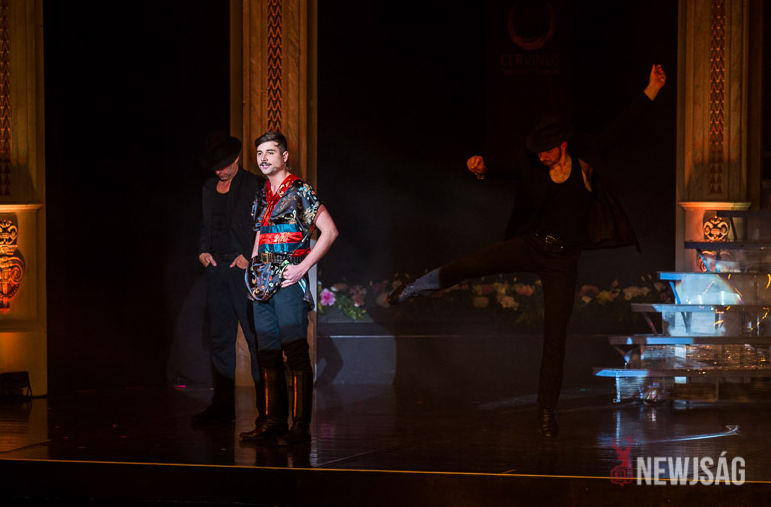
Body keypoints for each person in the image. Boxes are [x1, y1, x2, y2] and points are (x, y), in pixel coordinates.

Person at [388, 65, 667, 439]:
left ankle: (546, 411)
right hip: (531, 246)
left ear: (563, 145)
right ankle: (412, 290)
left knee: (555, 337)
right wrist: (483, 169)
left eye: (546, 151)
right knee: (469, 264)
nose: (541, 157)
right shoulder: (533, 164)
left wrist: (651, 89)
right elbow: (506, 171)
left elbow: (621, 128)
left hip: (563, 262)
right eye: (537, 151)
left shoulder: (586, 162)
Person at [240, 130, 338, 445]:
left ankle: (300, 427)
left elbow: (329, 231)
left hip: (287, 281)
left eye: (270, 152)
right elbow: (260, 234)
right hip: (261, 284)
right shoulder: (261, 194)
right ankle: (274, 422)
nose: (263, 158)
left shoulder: (299, 190)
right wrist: (253, 271)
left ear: (284, 157)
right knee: (267, 354)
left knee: (294, 351)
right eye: (259, 153)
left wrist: (302, 267)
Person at [195, 130, 265, 425]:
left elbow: (265, 225)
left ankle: (266, 412)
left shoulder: (254, 184)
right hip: (217, 270)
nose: (219, 171)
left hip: (243, 270)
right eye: (215, 167)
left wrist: (249, 255)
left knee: (255, 337)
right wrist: (202, 250)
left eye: (223, 165)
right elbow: (205, 224)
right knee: (220, 339)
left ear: (236, 159)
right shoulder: (209, 187)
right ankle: (222, 408)